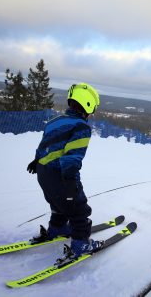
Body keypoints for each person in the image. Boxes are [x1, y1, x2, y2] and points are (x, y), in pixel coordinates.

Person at [26, 83, 102, 260]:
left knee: (58, 203)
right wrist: (69, 181)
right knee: (79, 209)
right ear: (88, 105)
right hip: (62, 174)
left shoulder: (54, 121)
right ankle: (81, 243)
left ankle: (58, 228)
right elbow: (73, 156)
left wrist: (36, 160)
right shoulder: (81, 127)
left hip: (43, 173)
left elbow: (44, 145)